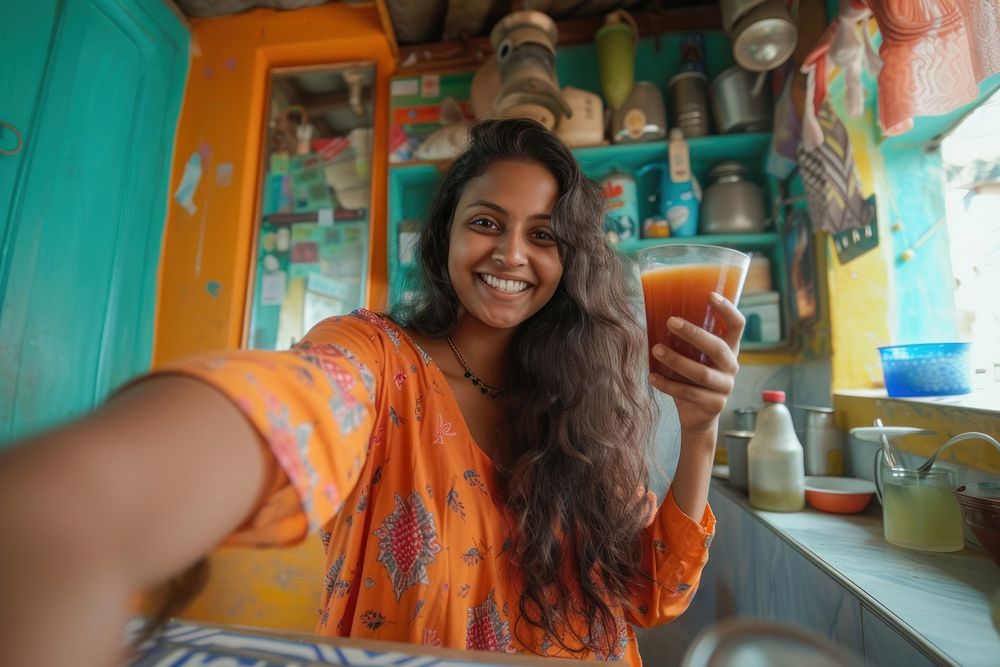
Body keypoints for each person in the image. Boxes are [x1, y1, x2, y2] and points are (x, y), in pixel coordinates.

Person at [0, 118, 744, 666]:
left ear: (571, 258)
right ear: (446, 238)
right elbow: (298, 402)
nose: (511, 253)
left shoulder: (587, 406)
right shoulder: (378, 360)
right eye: (486, 222)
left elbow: (653, 595)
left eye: (544, 234)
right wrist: (92, 500)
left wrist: (701, 427)